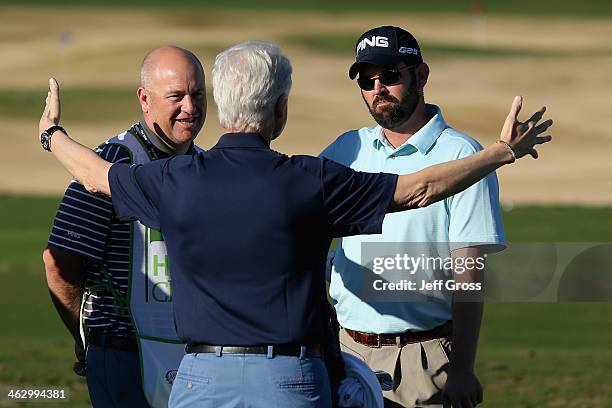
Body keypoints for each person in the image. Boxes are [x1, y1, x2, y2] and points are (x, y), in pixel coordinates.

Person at [38, 40, 551, 408]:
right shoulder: (310, 180)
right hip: (290, 379)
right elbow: (420, 188)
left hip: (197, 381)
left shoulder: (173, 178)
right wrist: (501, 153)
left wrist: (52, 135)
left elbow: (96, 175)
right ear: (279, 109)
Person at [320, 26, 532, 408]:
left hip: (421, 357)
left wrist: (463, 367)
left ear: (421, 75)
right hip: (344, 351)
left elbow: (468, 272)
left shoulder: (461, 156)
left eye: (389, 76)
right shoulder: (345, 148)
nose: (377, 89)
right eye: (366, 81)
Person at [42, 45, 206, 408]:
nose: (190, 108)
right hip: (121, 356)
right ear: (145, 99)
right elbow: (59, 263)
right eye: (176, 96)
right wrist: (85, 336)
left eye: (198, 94)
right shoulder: (110, 162)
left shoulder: (206, 165)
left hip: (197, 360)